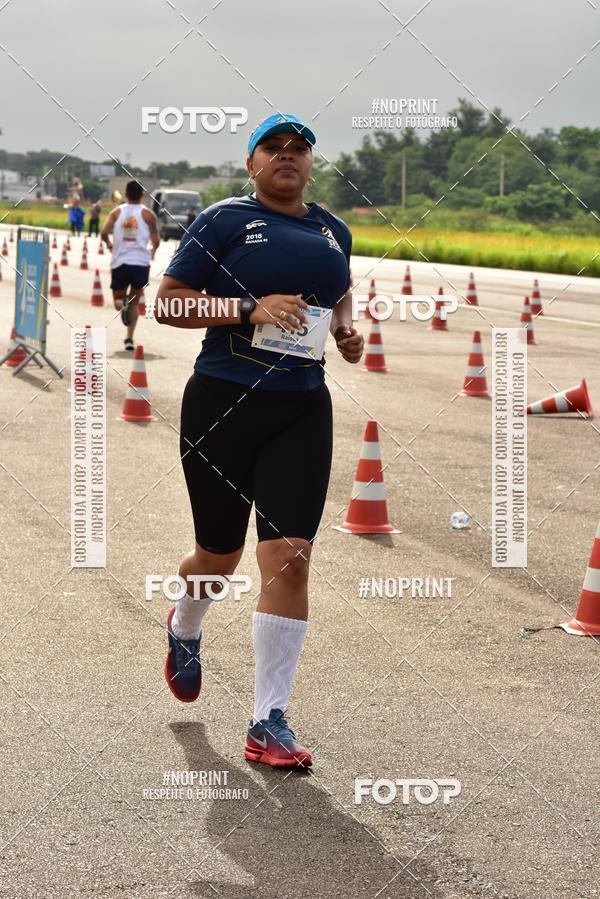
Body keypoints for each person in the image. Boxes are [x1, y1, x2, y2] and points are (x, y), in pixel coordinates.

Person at [155, 112, 363, 769]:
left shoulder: (334, 230)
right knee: (218, 556)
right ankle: (185, 623)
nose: (287, 156)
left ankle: (267, 719)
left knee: (291, 558)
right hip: (222, 404)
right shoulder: (221, 221)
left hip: (302, 408)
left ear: (310, 164)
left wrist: (350, 331)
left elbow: (341, 294)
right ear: (251, 163)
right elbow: (169, 302)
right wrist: (248, 307)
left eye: (299, 149)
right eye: (272, 147)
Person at [101, 180, 159, 351]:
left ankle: (122, 306)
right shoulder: (148, 214)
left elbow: (103, 232)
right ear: (142, 195)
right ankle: (129, 339)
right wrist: (153, 251)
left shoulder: (116, 212)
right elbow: (156, 240)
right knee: (134, 303)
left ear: (125, 194)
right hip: (141, 263)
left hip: (120, 262)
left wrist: (109, 245)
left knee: (118, 300)